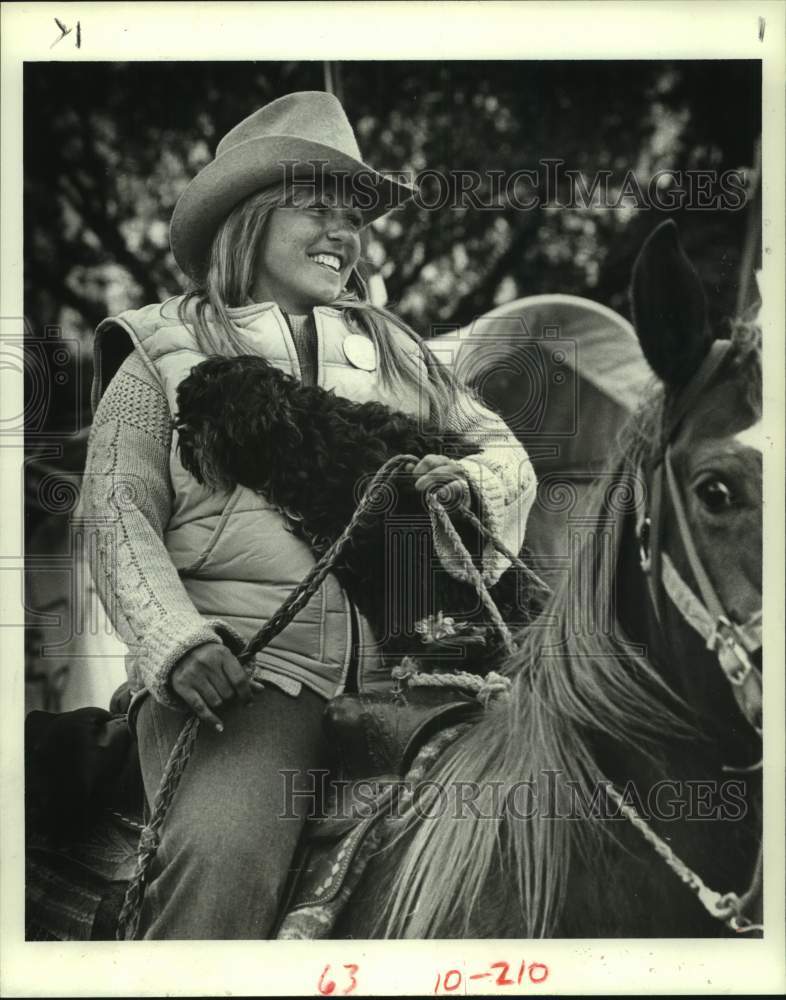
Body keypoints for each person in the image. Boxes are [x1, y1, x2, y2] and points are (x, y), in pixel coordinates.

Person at [76, 91, 536, 939]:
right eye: (317, 207)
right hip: (245, 690)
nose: (343, 232)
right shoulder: (156, 352)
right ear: (248, 220)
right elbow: (115, 515)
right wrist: (177, 643)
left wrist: (473, 485)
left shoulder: (396, 349)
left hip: (413, 680)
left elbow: (506, 453)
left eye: (353, 215)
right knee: (223, 857)